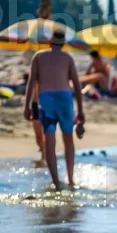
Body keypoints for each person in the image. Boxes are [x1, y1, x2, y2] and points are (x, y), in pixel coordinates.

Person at [24, 31, 85, 190]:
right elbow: (77, 86)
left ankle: (56, 182)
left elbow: (31, 83)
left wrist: (27, 106)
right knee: (68, 140)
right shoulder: (68, 58)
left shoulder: (38, 56)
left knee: (49, 141)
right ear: (64, 43)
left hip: (46, 100)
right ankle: (71, 180)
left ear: (50, 42)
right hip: (64, 98)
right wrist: (81, 111)